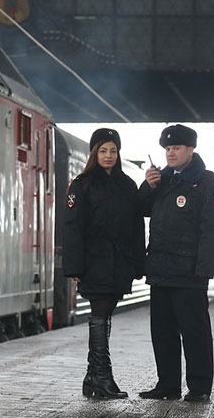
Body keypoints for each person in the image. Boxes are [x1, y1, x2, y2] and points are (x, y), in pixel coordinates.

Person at [138, 124, 214, 402]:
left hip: (190, 274)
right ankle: (168, 386)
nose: (170, 153)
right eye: (167, 148)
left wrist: (204, 270)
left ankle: (199, 387)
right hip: (161, 271)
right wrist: (147, 186)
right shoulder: (161, 180)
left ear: (191, 149)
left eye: (176, 148)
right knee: (162, 333)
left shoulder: (207, 182)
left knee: (195, 333)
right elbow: (140, 209)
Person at [63, 128, 145, 399]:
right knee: (100, 314)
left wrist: (138, 263)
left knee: (105, 314)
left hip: (119, 261)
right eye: (103, 150)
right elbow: (72, 226)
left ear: (118, 153)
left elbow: (136, 226)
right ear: (94, 153)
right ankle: (103, 377)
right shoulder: (82, 183)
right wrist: (74, 266)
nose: (108, 156)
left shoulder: (127, 185)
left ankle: (92, 377)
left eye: (113, 150)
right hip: (94, 260)